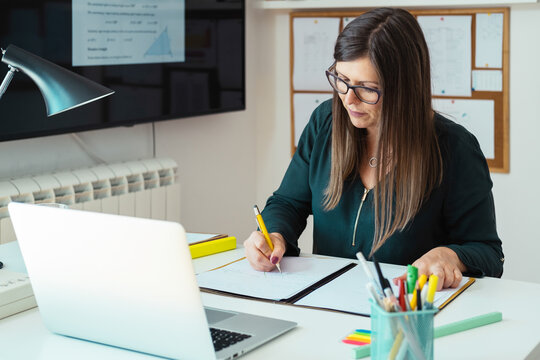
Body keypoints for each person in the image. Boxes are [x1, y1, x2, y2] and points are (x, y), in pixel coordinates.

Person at [243, 7, 504, 290]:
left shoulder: (455, 149)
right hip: (325, 304)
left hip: (405, 315)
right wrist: (273, 233)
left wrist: (450, 256)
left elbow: (488, 254)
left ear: (405, 87)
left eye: (367, 88)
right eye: (341, 80)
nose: (348, 100)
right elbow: (288, 203)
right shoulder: (325, 123)